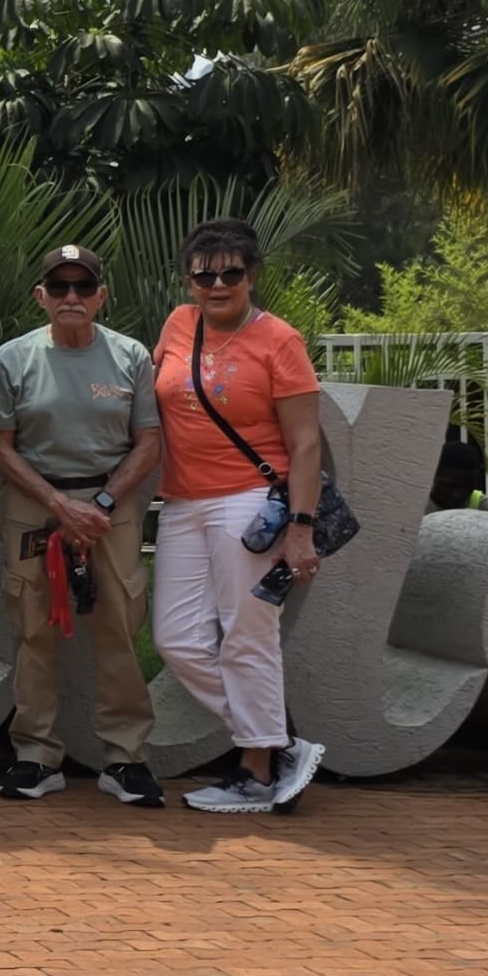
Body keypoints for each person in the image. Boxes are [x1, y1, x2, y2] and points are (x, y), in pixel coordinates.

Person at [149, 217, 333, 813]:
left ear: (252, 276)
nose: (218, 285)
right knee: (176, 638)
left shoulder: (281, 341)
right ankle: (275, 742)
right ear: (190, 280)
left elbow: (305, 444)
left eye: (232, 273)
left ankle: (256, 772)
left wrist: (300, 530)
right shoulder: (179, 324)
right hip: (181, 500)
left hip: (250, 503)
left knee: (247, 634)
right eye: (206, 275)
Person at [0, 243, 163, 807]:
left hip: (112, 503)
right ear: (41, 297)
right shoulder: (12, 359)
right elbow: (0, 447)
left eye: (83, 287)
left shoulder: (131, 357)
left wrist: (101, 503)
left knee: (118, 626)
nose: (72, 297)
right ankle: (35, 756)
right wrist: (60, 505)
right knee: (33, 628)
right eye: (59, 288)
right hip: (36, 500)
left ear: (102, 296)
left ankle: (125, 759)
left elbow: (149, 441)